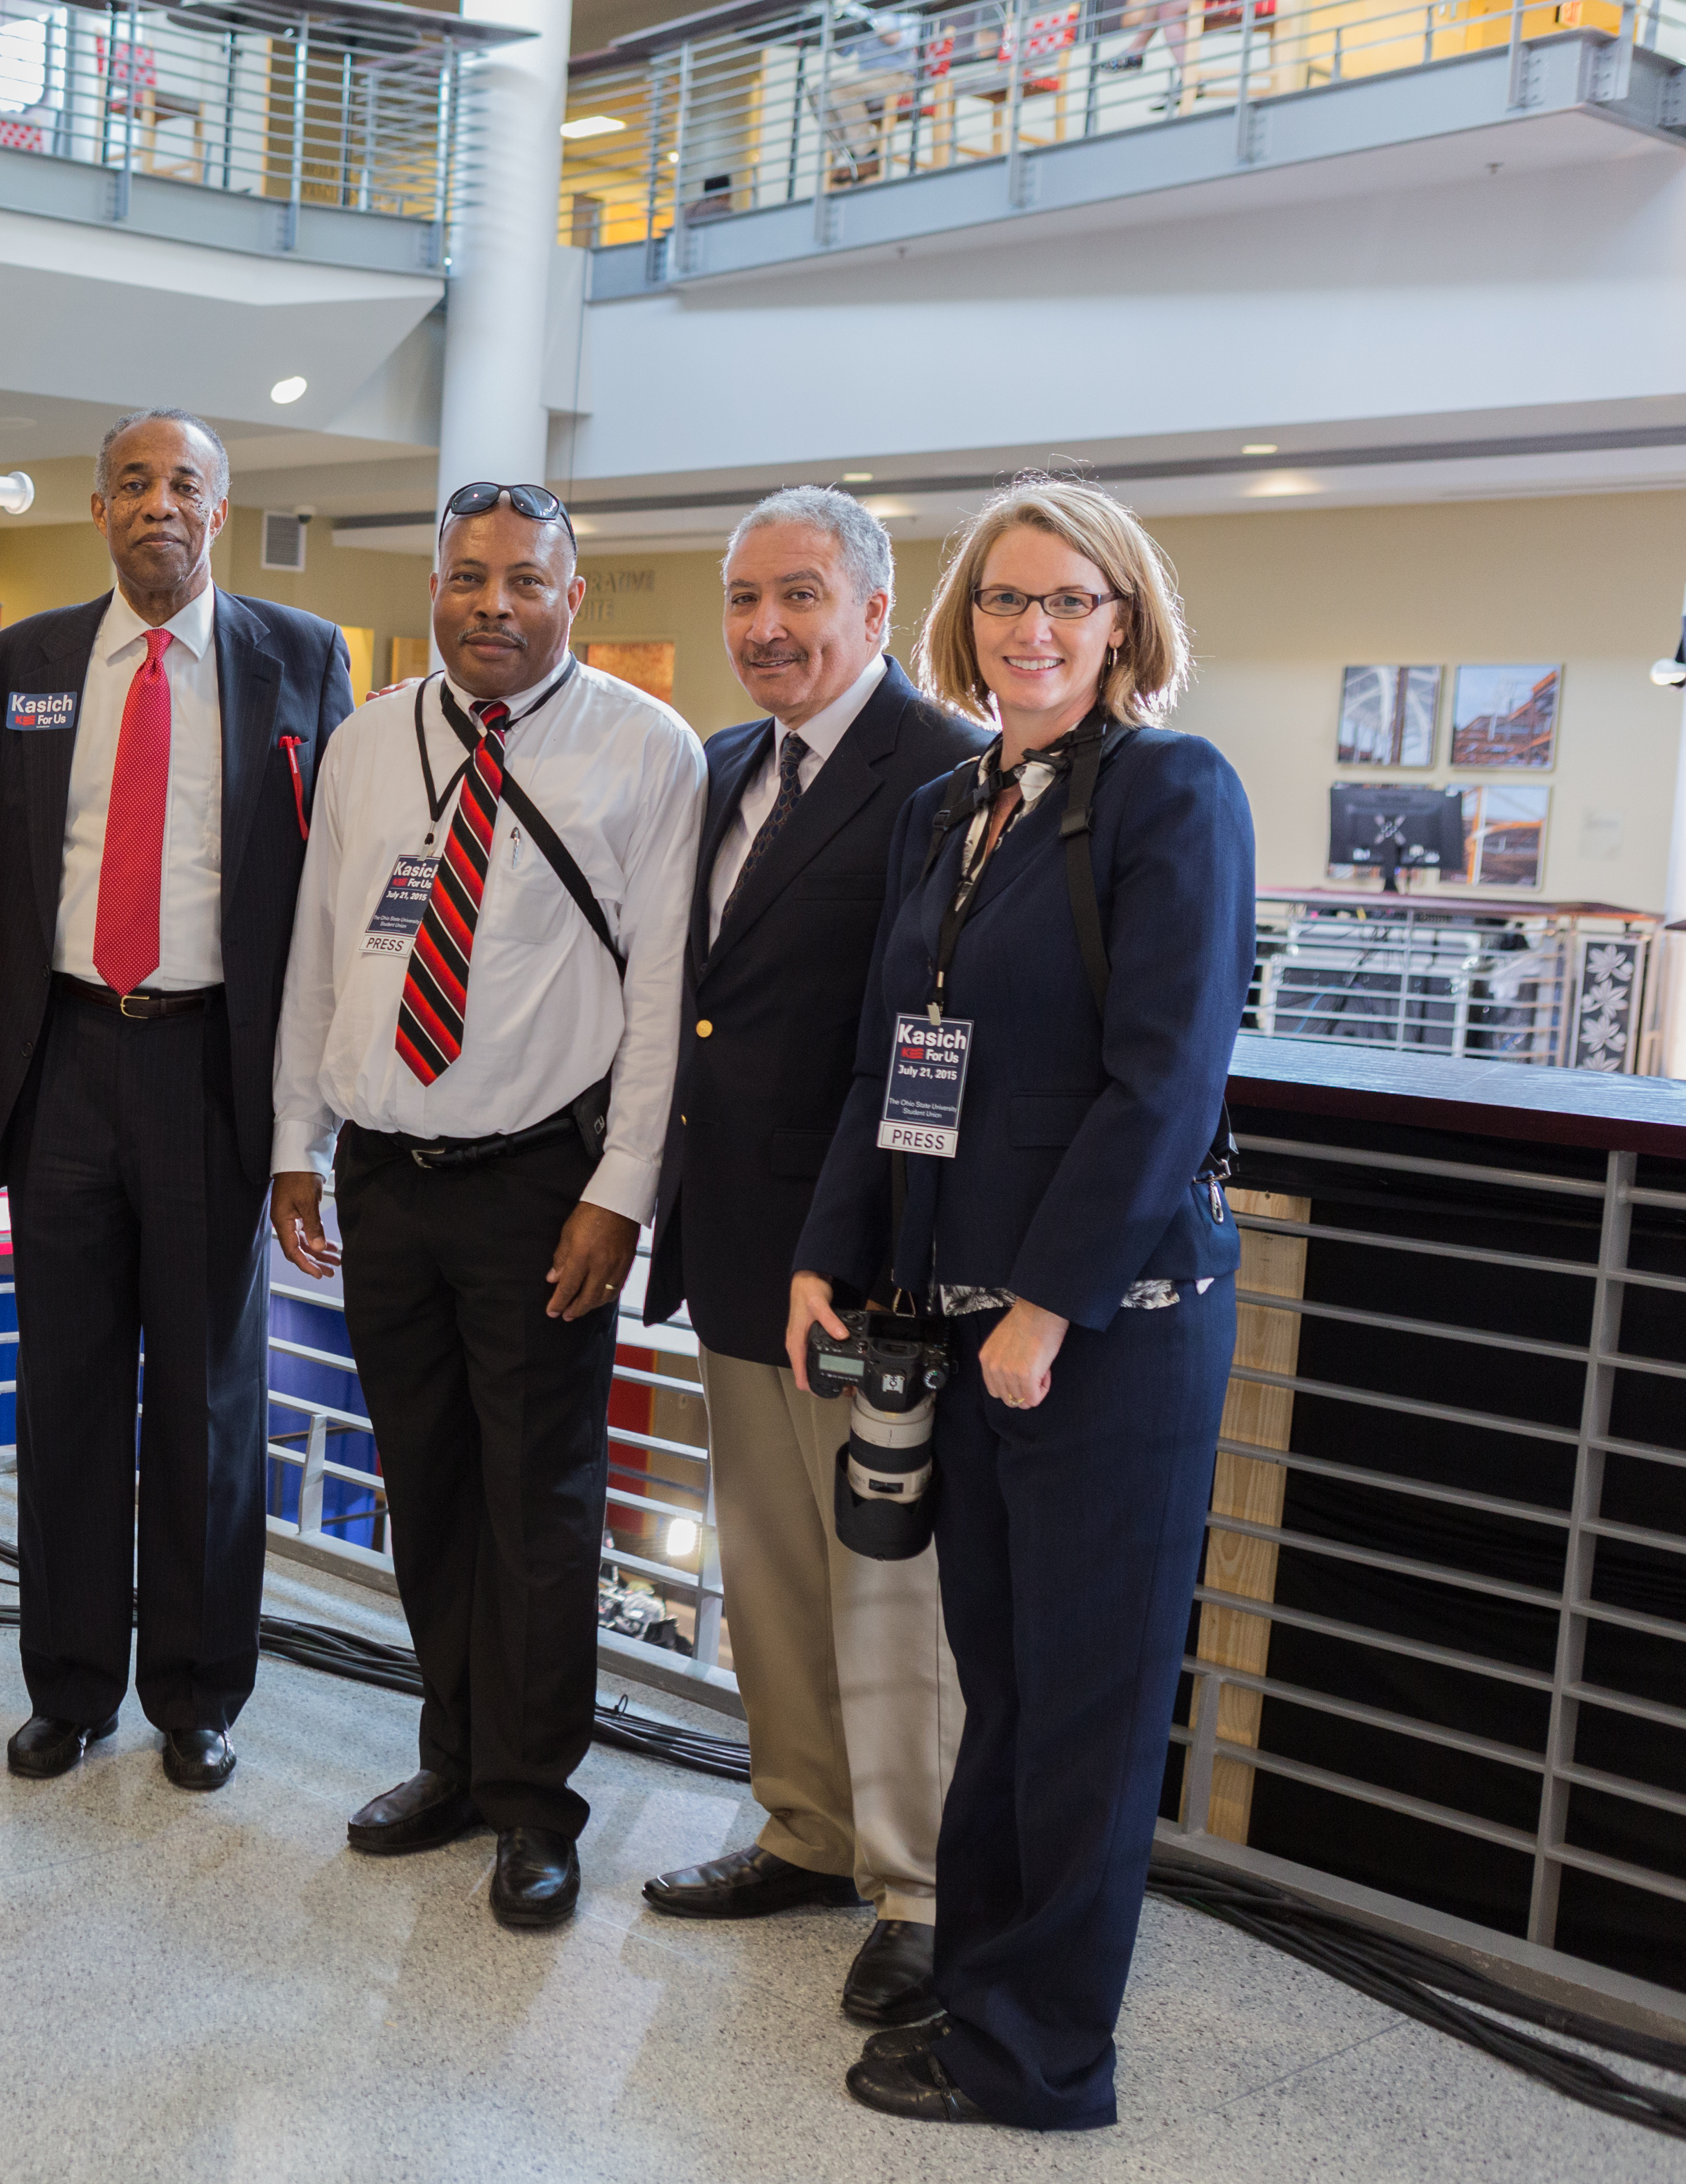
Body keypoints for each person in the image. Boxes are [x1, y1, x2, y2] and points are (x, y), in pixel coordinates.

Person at [791, 475, 1251, 2128]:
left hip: (1103, 1328)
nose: (1033, 630)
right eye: (1004, 600)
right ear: (962, 621)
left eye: (1068, 602)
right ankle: (978, 1992)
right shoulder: (948, 808)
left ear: (1123, 621)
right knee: (1003, 1679)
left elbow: (1163, 1086)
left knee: (1088, 1707)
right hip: (965, 1319)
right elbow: (888, 1059)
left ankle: (1044, 2059)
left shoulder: (1172, 793)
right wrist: (826, 1248)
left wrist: (1048, 1311)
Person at [269, 482, 702, 1929]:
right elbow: (321, 955)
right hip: (387, 1176)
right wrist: (295, 1139)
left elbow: (658, 1006)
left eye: (524, 578)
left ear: (571, 595)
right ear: (436, 590)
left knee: (537, 1506)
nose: (492, 604)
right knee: (428, 1489)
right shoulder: (365, 738)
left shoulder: (646, 752)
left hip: (540, 1187)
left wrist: (617, 1194)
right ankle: (449, 1759)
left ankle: (532, 1805)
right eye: (466, 578)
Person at [637, 488, 986, 2021]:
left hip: (858, 1264)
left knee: (885, 1582)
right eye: (744, 600)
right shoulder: (718, 765)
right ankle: (806, 1824)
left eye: (800, 596)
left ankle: (918, 1888)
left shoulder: (950, 771)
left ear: (872, 610)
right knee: (767, 1564)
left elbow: (927, 1038)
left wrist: (857, 1243)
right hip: (729, 1242)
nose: (766, 628)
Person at [0, 409, 352, 1793]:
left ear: (221, 504)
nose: (157, 504)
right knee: (61, 1389)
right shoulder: (22, 663)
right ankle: (65, 1685)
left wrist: (308, 1116)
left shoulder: (301, 659)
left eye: (183, 482)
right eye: (132, 482)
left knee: (206, 1394)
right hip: (63, 1058)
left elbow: (330, 890)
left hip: (210, 1066)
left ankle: (194, 1688)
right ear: (96, 507)